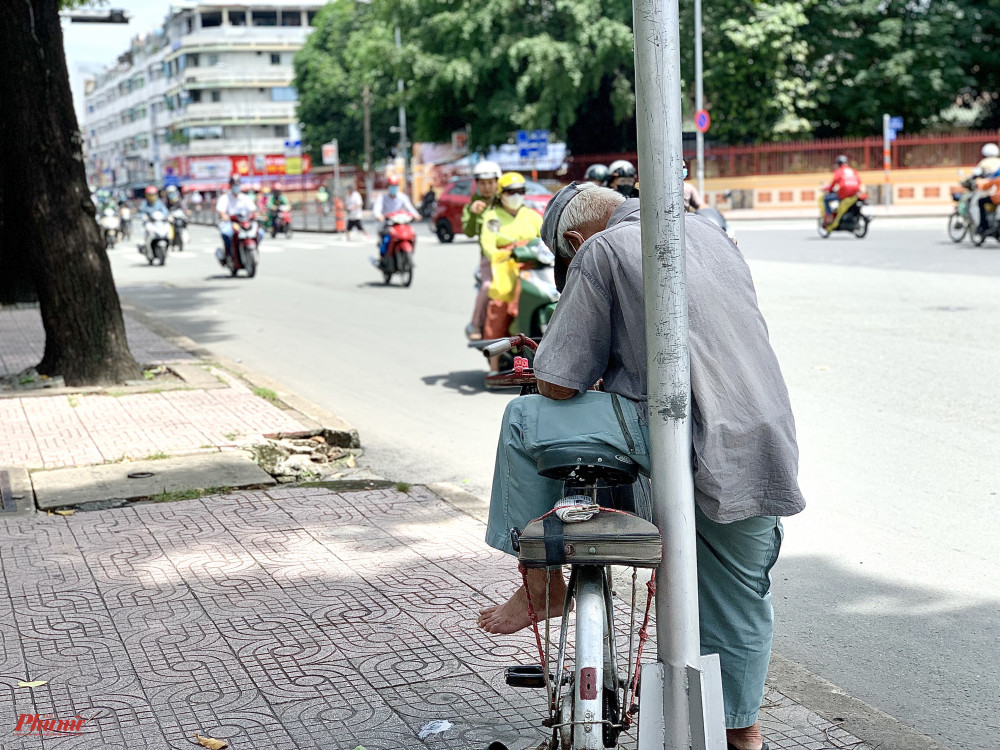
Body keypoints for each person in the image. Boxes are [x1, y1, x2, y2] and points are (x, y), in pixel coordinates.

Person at [477, 183, 805, 750]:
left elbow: (557, 381)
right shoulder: (711, 233)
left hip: (680, 429)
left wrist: (553, 358)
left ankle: (542, 585)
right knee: (740, 591)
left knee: (522, 419)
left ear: (576, 240)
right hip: (760, 436)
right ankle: (742, 733)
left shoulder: (602, 249)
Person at [478, 172, 543, 370]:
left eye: (520, 191)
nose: (516, 195)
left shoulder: (532, 215)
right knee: (500, 306)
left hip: (533, 266)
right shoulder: (493, 217)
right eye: (511, 192)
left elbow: (547, 239)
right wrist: (503, 254)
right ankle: (494, 365)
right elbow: (488, 244)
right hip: (505, 267)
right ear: (501, 194)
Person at [462, 160, 503, 340]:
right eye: (482, 183)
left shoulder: (506, 202)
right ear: (477, 185)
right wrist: (472, 214)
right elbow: (468, 232)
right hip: (490, 259)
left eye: (490, 183)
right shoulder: (472, 206)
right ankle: (475, 324)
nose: (487, 187)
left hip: (515, 255)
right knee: (487, 286)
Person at [372, 176, 419, 262]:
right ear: (388, 187)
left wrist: (416, 215)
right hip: (387, 223)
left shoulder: (402, 197)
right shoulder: (382, 198)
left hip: (401, 222)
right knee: (385, 238)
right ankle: (383, 257)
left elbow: (410, 208)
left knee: (412, 234)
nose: (394, 188)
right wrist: (379, 216)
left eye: (395, 186)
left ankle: (408, 255)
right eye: (391, 186)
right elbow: (377, 209)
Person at [215, 174, 259, 264]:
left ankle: (253, 249)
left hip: (245, 222)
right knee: (226, 233)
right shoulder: (225, 198)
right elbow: (221, 211)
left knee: (260, 233)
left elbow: (253, 209)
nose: (236, 187)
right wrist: (225, 216)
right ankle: (229, 255)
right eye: (234, 185)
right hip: (231, 222)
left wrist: (255, 215)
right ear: (230, 186)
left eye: (238, 184)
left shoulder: (245, 198)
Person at [823, 155, 861, 227]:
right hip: (854, 193)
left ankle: (830, 217)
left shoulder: (839, 171)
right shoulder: (853, 171)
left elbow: (834, 183)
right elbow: (859, 181)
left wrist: (829, 189)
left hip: (844, 194)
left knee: (826, 199)